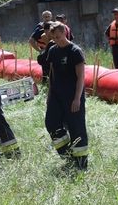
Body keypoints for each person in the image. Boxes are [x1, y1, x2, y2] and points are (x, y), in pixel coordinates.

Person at [37, 22, 89, 171]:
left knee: (76, 128)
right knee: (51, 123)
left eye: (58, 37)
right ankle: (67, 155)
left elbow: (81, 77)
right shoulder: (53, 50)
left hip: (72, 96)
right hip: (56, 96)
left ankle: (81, 164)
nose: (56, 40)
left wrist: (77, 98)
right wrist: (49, 95)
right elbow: (52, 73)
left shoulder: (75, 51)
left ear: (64, 33)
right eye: (53, 38)